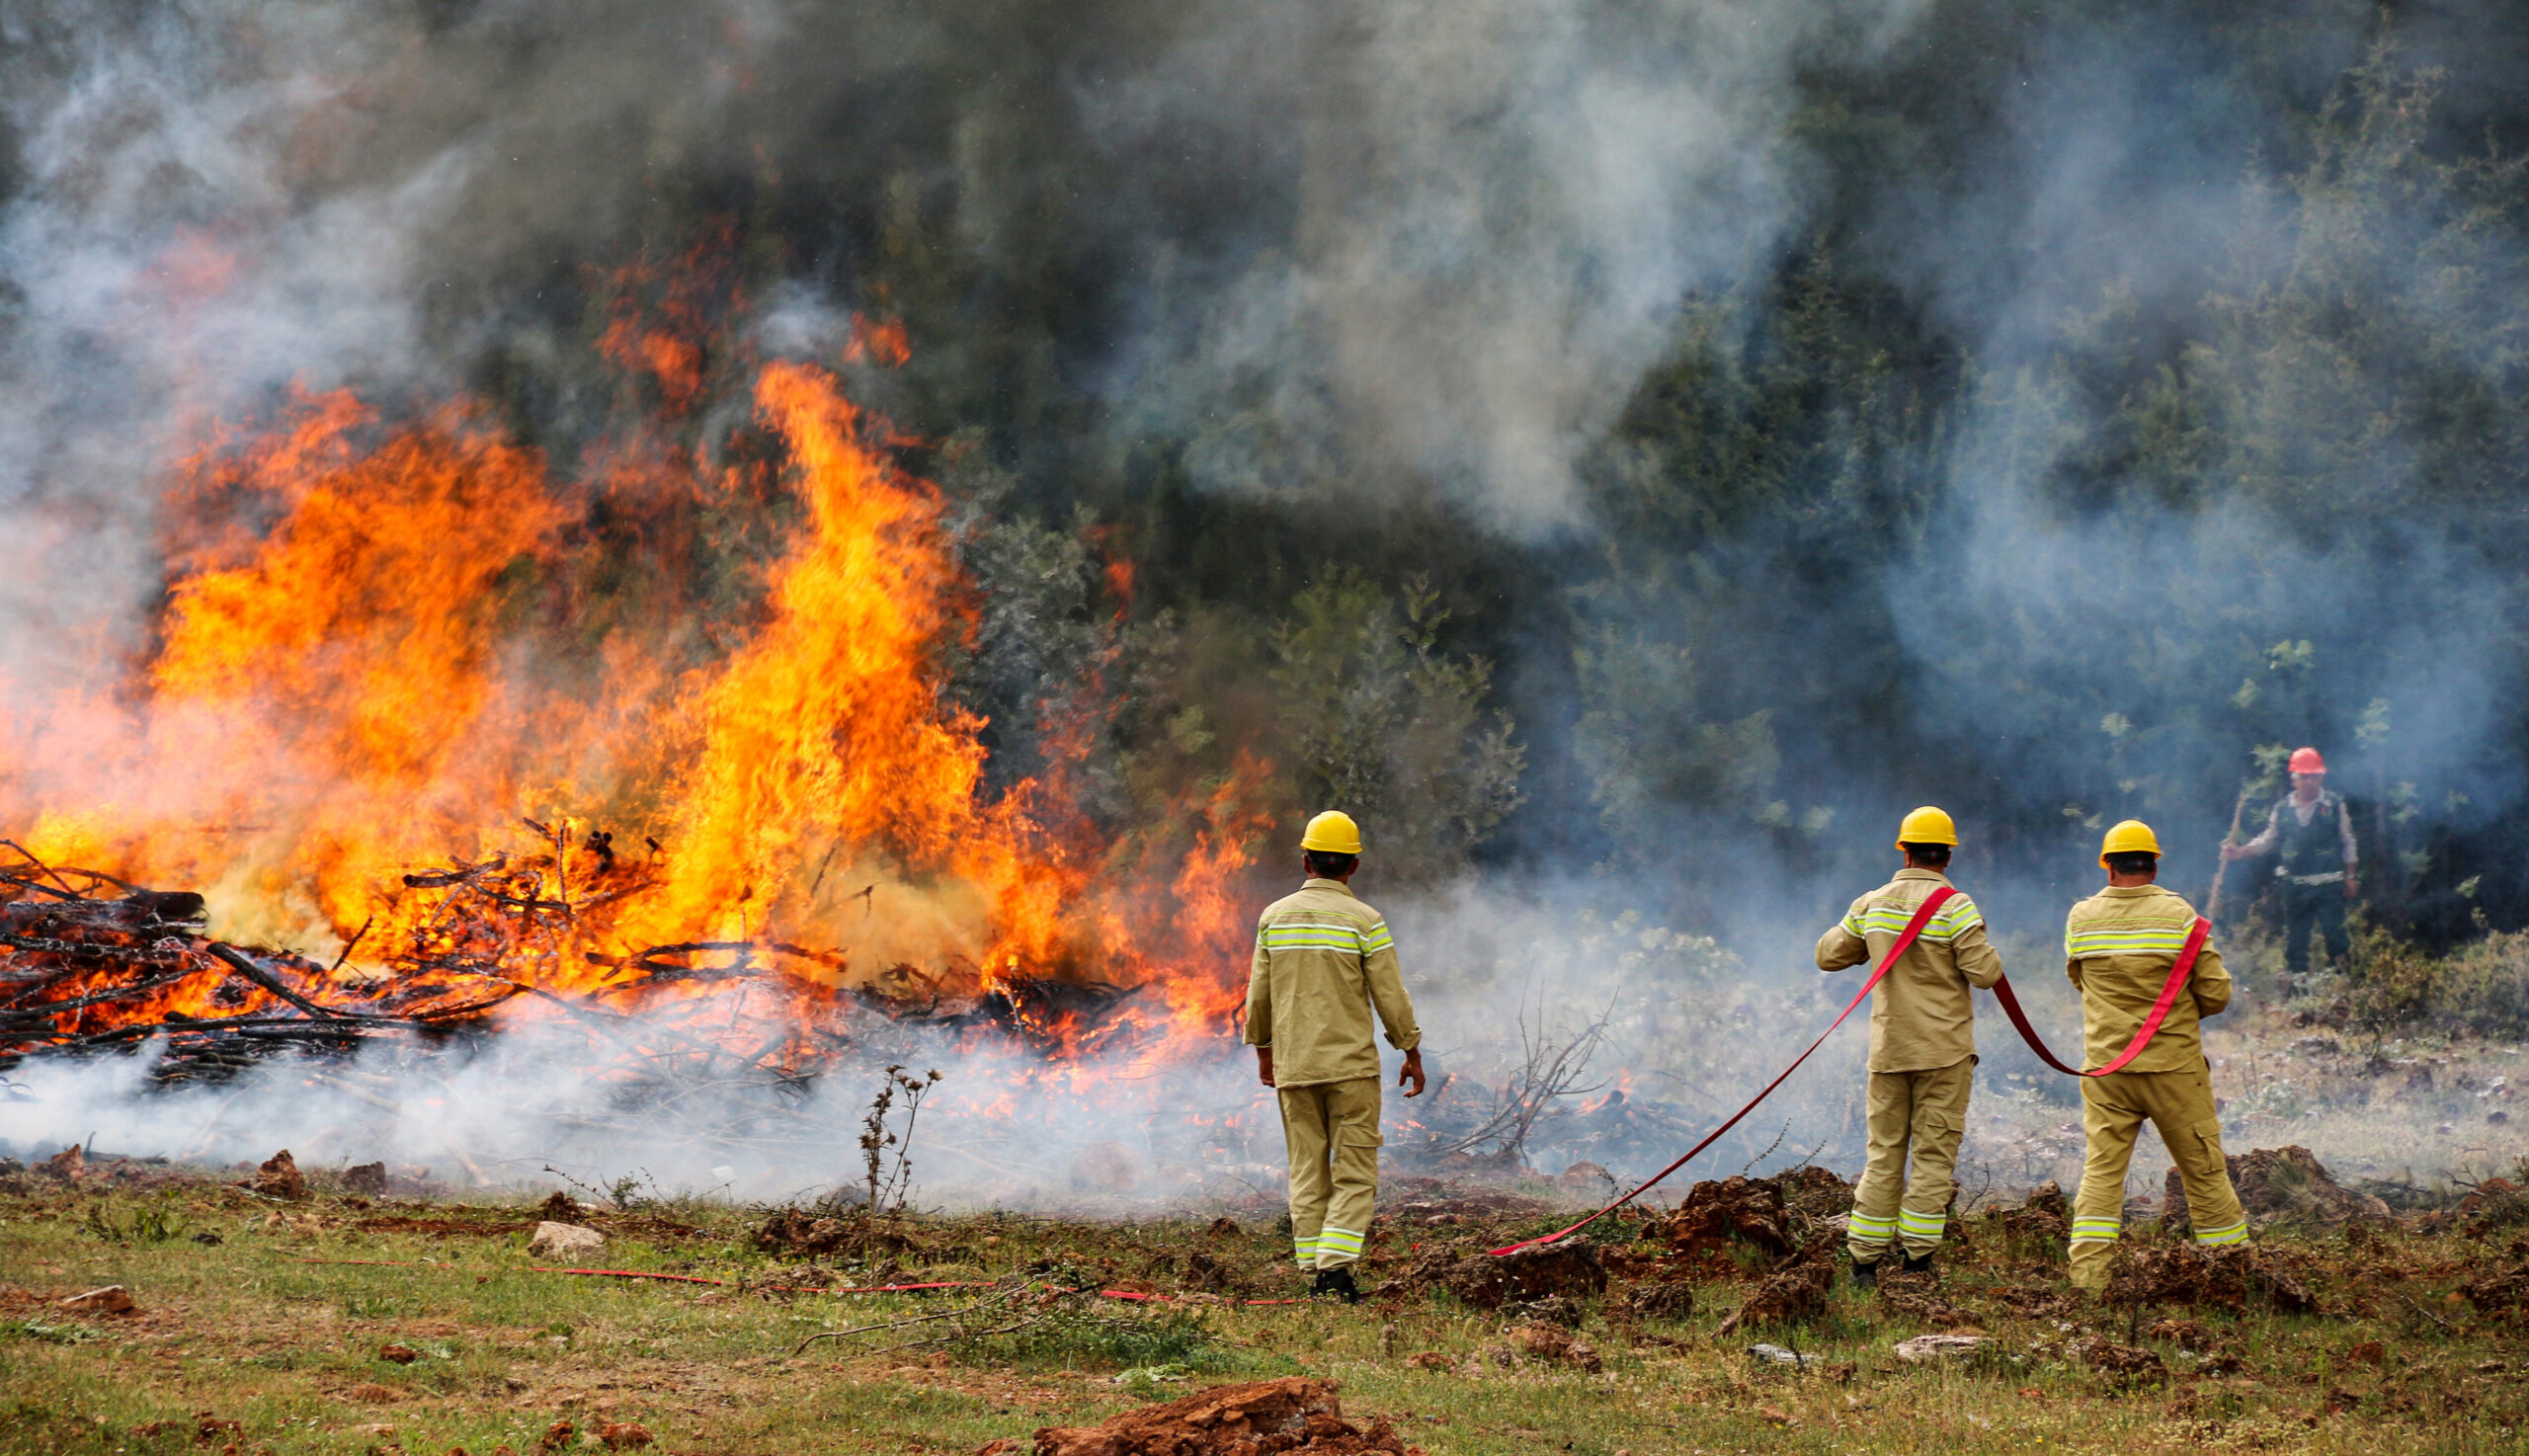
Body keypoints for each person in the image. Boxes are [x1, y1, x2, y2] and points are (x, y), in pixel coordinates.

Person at [1242, 809, 1426, 1303]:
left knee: (1306, 1168)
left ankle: (1313, 1271)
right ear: (1353, 867)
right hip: (1351, 1071)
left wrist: (1264, 1051)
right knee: (1355, 1170)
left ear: (1306, 863)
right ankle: (1335, 1273)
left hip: (1296, 1068)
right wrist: (1410, 1049)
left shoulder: (1273, 919)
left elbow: (1258, 996)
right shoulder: (1365, 921)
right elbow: (1390, 996)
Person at [1814, 806, 2001, 1286]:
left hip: (1889, 1052)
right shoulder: (1957, 906)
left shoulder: (1872, 902)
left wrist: (1871, 936)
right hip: (1945, 1053)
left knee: (1884, 1154)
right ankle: (1918, 1261)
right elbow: (1985, 974)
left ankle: (1863, 1263)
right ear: (1948, 855)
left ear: (1904, 850)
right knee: (1933, 1157)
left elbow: (1828, 956)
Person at [2064, 820, 2247, 1289]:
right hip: (2174, 1070)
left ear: (2108, 867)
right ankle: (2230, 1276)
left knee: (2102, 1173)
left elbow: (2079, 980)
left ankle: (2088, 1282)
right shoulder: (2180, 915)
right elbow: (2216, 994)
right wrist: (2180, 1012)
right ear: (2153, 863)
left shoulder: (2081, 917)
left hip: (2107, 1070)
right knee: (2204, 1171)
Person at [2220, 746, 2358, 979]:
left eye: (2314, 776)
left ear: (2321, 776)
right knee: (2296, 940)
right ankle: (2298, 989)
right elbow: (2268, 839)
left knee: (2336, 937)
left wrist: (2351, 877)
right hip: (2295, 885)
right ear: (2294, 779)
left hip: (2330, 883)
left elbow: (2348, 840)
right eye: (2304, 777)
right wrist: (2240, 852)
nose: (2309, 782)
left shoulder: (2333, 806)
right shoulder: (2282, 809)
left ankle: (2341, 985)